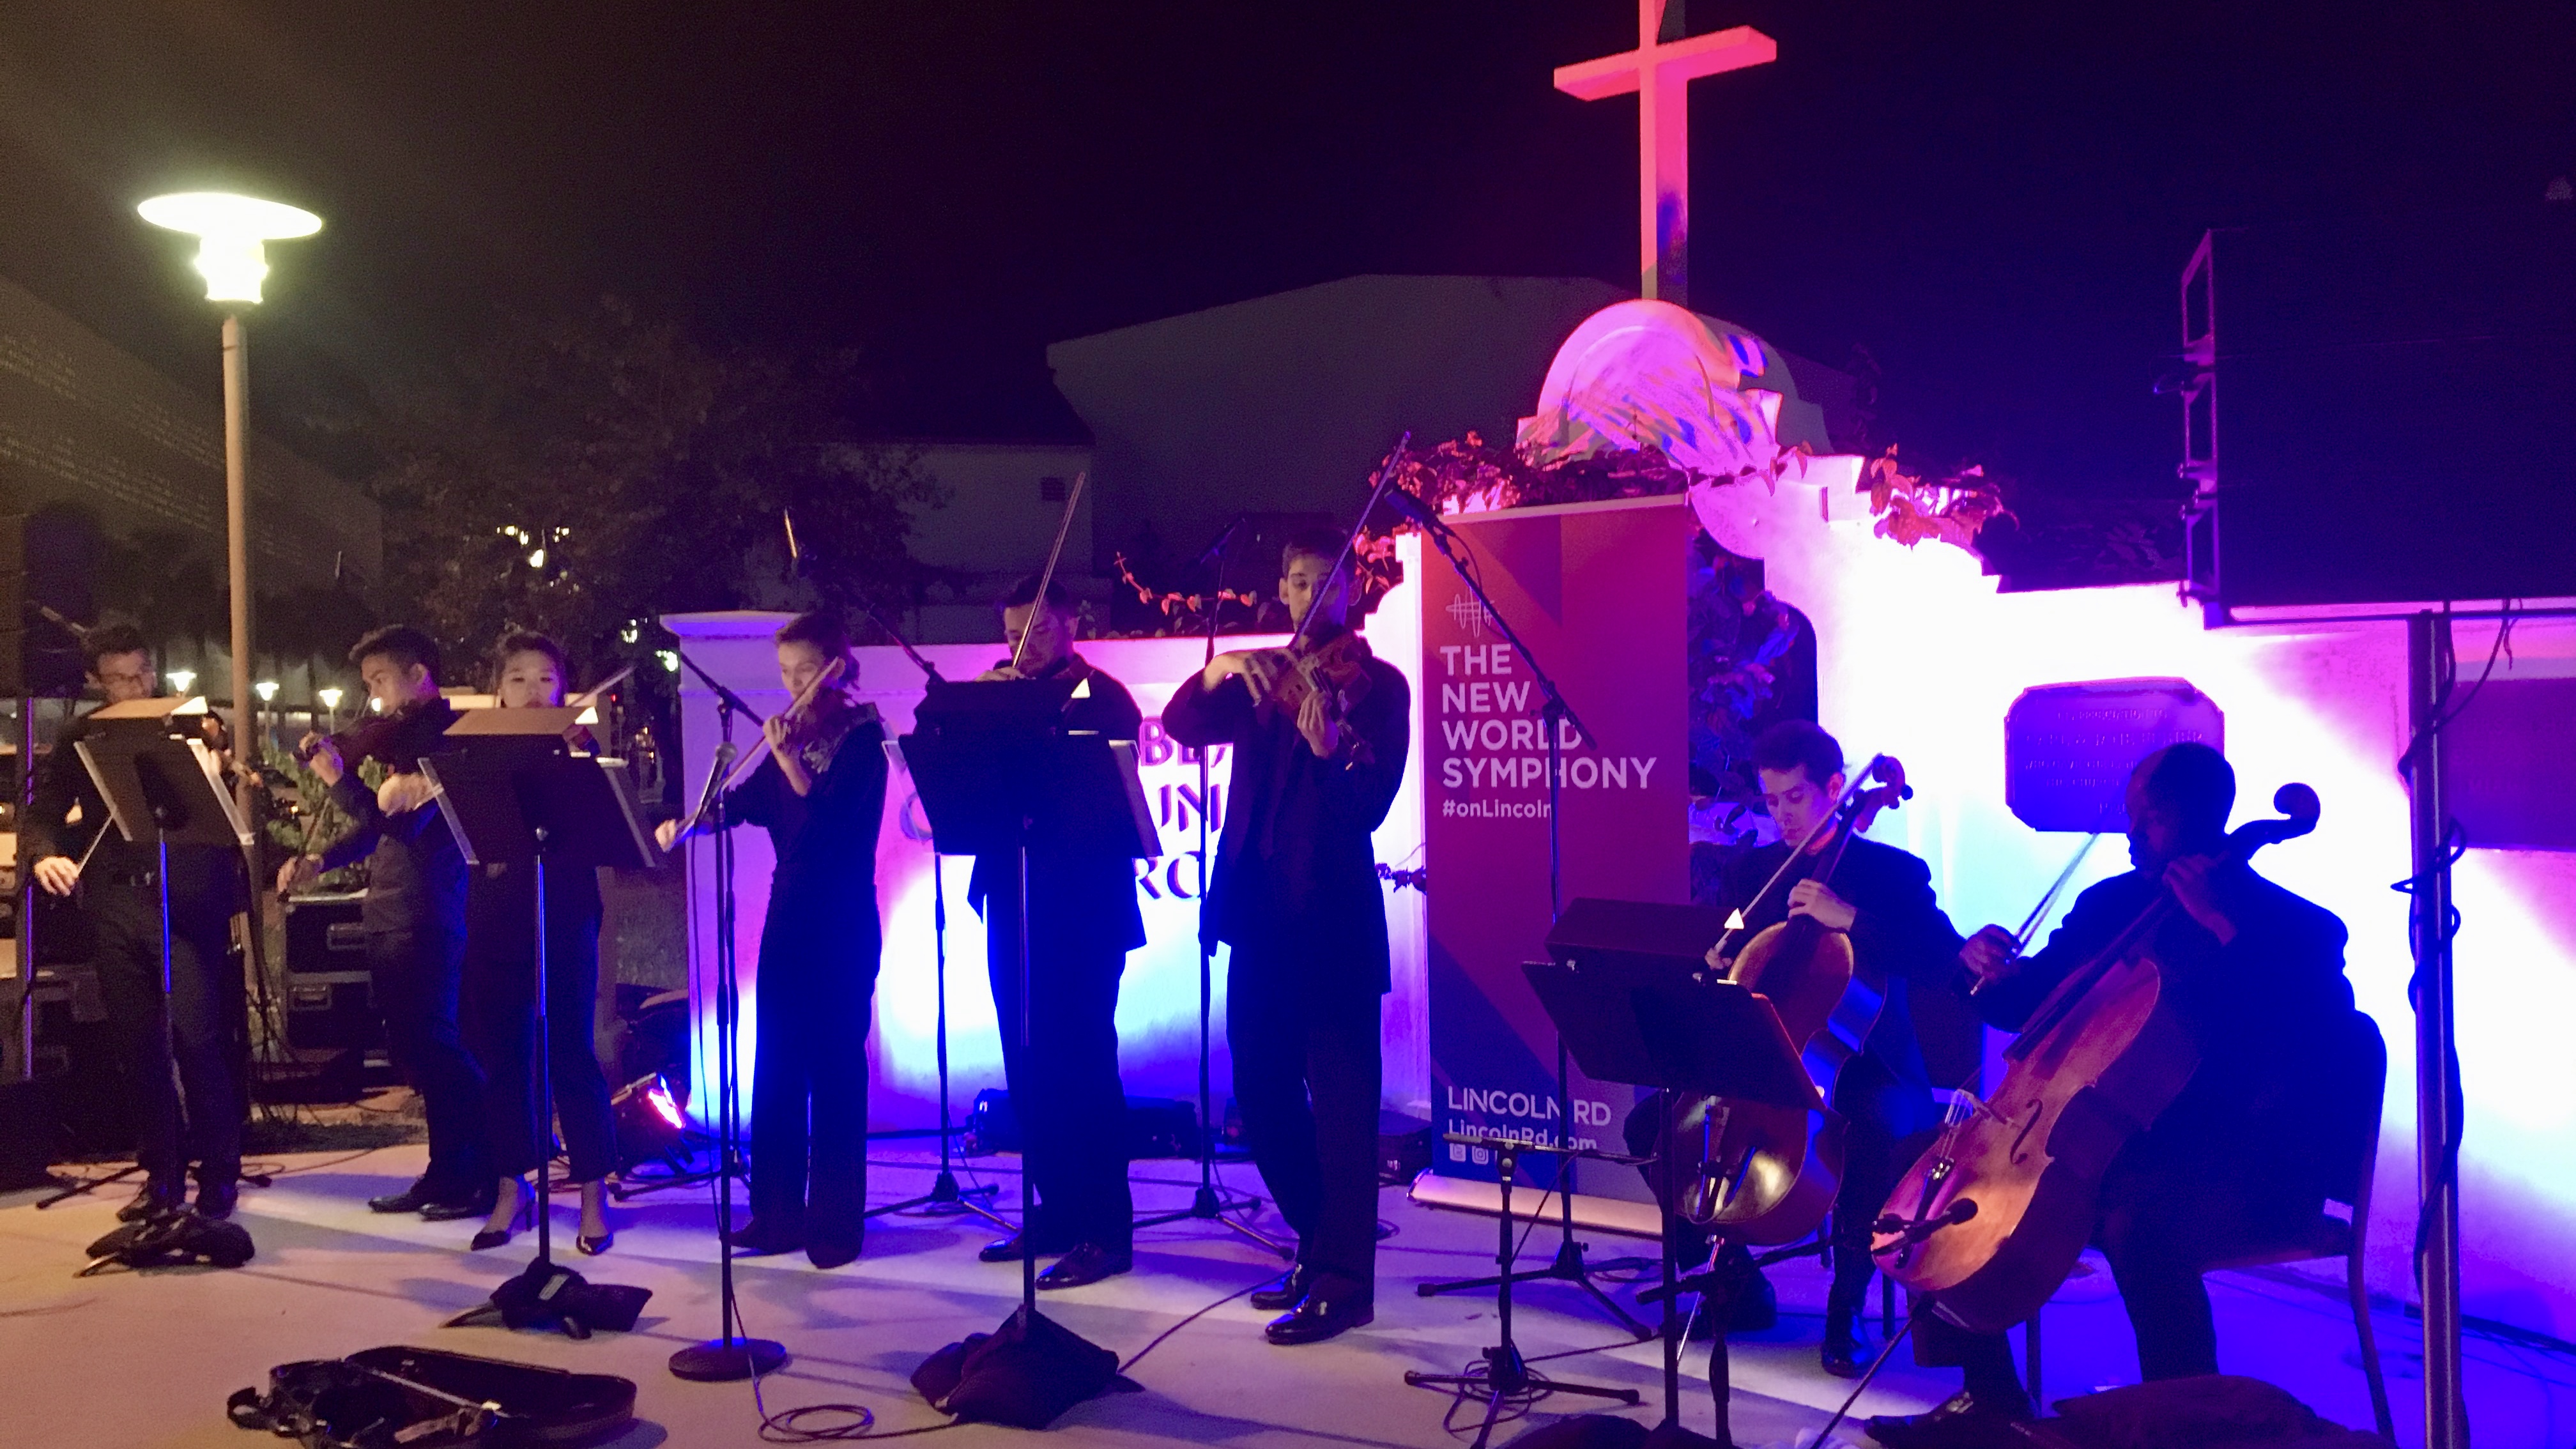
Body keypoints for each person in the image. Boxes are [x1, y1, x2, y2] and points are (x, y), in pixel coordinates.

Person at [1867, 743, 2358, 1449]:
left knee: (2137, 1217)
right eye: (2131, 820)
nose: (2131, 837)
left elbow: (2309, 1041)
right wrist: (1977, 971)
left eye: (2149, 822)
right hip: (2108, 1141)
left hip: (2242, 1159)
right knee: (1925, 1177)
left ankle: (2182, 1425)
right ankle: (1989, 1397)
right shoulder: (2113, 905)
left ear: (2199, 820)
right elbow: (2029, 1004)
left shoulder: (2297, 928)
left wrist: (2225, 927)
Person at [1623, 720, 1965, 1376]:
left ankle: (1847, 1306)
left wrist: (1852, 920)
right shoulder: (1757, 872)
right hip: (1768, 1054)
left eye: (1796, 799)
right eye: (1771, 801)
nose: (1782, 816)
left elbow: (1941, 961)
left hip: (1868, 1064)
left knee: (1868, 1127)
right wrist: (1717, 954)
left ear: (1837, 789)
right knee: (1652, 1127)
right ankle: (1734, 1282)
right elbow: (1731, 946)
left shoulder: (1891, 873)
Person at [1162, 528, 1411, 1346]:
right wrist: (1215, 670)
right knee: (1261, 1095)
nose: (1311, 597)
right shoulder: (1263, 677)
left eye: (1325, 583)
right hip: (1258, 919)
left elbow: (1367, 806)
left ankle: (1348, 1283)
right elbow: (1186, 725)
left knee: (1342, 1109)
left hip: (1331, 923)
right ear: (1285, 589)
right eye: (1299, 583)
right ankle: (1318, 1239)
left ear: (1348, 592)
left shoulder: (1377, 687)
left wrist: (1331, 751)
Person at [656, 611, 887, 1269]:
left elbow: (830, 827)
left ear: (838, 667)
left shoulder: (862, 740)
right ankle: (777, 1214)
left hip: (841, 915)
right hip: (790, 915)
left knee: (836, 1068)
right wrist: (692, 825)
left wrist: (787, 758)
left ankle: (837, 1225)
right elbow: (744, 803)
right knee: (778, 1063)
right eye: (786, 673)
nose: (794, 686)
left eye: (807, 672)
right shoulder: (796, 733)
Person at [22, 621, 249, 1220]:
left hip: (184, 902)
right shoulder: (81, 735)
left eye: (143, 672)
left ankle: (220, 1174)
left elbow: (212, 799)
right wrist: (45, 852)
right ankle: (163, 1176)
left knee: (198, 1041)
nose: (137, 685)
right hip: (116, 905)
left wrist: (212, 756)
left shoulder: (186, 723)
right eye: (121, 678)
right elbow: (42, 811)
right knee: (139, 1048)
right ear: (96, 682)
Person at [967, 577, 1147, 1290]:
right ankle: (1058, 1207)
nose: (1024, 646)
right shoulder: (1000, 695)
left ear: (1072, 624)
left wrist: (1033, 710)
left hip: (1085, 905)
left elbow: (1116, 769)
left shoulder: (1103, 695)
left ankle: (1107, 1228)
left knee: (1082, 1062)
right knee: (1025, 1059)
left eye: (1038, 632)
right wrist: (978, 707)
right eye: (1013, 635)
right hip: (1012, 895)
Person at [279, 625, 488, 1221]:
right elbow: (376, 827)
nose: (372, 697)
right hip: (393, 909)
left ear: (419, 673)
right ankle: (444, 1170)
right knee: (416, 1051)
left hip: (429, 909)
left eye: (379, 681)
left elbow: (403, 826)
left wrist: (336, 779)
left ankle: (479, 1166)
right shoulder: (403, 745)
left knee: (437, 1047)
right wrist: (322, 859)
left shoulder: (445, 740)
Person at [460, 631, 620, 1255]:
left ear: (564, 688)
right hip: (500, 910)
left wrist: (582, 757)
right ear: (498, 692)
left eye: (546, 679)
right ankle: (512, 1186)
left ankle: (591, 1194)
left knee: (572, 1051)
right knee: (507, 1056)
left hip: (567, 906)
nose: (533, 690)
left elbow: (603, 829)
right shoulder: (476, 753)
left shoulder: (578, 747)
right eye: (519, 678)